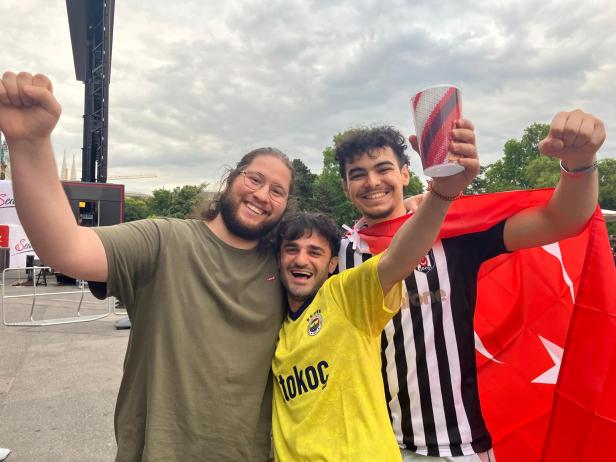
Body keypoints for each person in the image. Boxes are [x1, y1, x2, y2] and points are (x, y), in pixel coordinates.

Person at [0, 71, 294, 461]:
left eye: (278, 191)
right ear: (230, 179)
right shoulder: (164, 241)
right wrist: (29, 143)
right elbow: (66, 248)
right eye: (254, 178)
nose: (262, 194)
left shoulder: (290, 268)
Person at [334, 114, 603, 462]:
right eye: (357, 174)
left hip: (454, 448)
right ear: (345, 187)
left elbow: (562, 220)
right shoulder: (338, 254)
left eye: (383, 169)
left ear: (404, 174)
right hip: (372, 446)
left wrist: (580, 163)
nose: (372, 182)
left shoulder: (453, 233)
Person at [272, 141, 477, 460]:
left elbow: (398, 257)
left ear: (332, 263)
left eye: (315, 252)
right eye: (291, 250)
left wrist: (439, 195)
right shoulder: (274, 330)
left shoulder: (343, 294)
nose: (301, 260)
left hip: (442, 442)